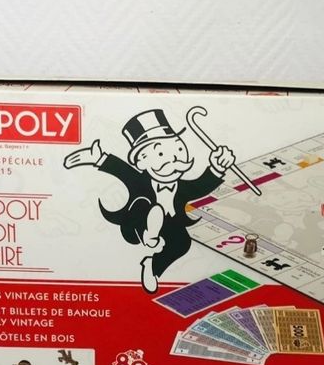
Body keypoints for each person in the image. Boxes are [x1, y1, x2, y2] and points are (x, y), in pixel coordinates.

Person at [64, 109, 236, 293]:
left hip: (170, 223)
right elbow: (122, 170)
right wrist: (99, 158)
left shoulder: (181, 186)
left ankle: (152, 266)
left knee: (182, 243)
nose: (174, 159)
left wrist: (217, 168)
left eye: (179, 149)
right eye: (161, 154)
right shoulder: (140, 181)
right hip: (138, 222)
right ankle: (149, 234)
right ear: (141, 161)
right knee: (147, 206)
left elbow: (199, 186)